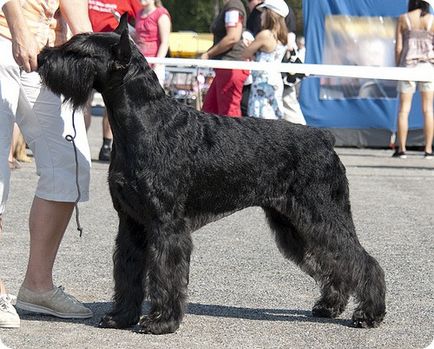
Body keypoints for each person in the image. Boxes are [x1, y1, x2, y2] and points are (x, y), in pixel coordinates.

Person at [0, 0, 93, 328]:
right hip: (3, 37)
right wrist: (14, 20)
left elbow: (79, 18)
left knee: (71, 166)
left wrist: (84, 81)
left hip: (50, 55)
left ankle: (37, 286)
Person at [86, 0, 142, 162]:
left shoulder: (130, 1)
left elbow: (143, 21)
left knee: (110, 104)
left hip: (111, 59)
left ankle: (106, 146)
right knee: (84, 102)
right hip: (89, 53)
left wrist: (128, 30)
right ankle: (79, 142)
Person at [393, 0, 434, 159]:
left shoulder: (403, 18)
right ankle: (428, 150)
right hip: (428, 67)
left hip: (407, 67)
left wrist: (397, 66)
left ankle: (402, 149)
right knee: (428, 109)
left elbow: (398, 47)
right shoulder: (432, 19)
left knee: (404, 110)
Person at [201, 0, 249, 117]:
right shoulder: (230, 7)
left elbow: (233, 37)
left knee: (229, 114)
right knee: (209, 110)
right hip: (225, 67)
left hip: (231, 67)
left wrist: (208, 54)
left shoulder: (233, 6)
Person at [242, 0, 288, 119]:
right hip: (275, 80)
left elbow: (246, 53)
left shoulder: (265, 35)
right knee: (273, 118)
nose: (261, 16)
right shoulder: (282, 36)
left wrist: (247, 43)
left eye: (263, 12)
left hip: (262, 82)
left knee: (260, 121)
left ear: (270, 14)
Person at [135, 0, 171, 86]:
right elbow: (137, 37)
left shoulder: (161, 14)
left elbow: (165, 42)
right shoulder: (139, 13)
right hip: (138, 62)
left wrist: (156, 65)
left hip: (155, 64)